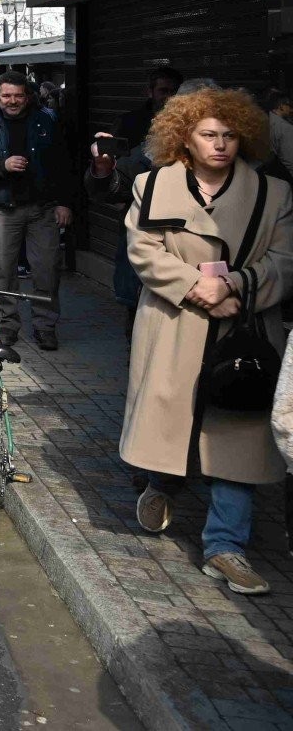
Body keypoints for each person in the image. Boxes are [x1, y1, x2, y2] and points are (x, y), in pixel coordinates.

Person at [125, 89, 293, 598]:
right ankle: (162, 483)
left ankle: (225, 547)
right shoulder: (151, 186)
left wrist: (236, 286)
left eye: (229, 135)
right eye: (208, 135)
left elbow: (285, 261)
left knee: (237, 432)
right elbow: (143, 249)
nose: (220, 144)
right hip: (175, 322)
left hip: (245, 329)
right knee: (172, 420)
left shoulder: (274, 195)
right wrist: (197, 287)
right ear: (185, 138)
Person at [0, 72, 74, 351]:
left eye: (18, 95)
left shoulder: (46, 123)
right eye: (6, 96)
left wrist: (64, 202)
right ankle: (6, 327)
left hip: (43, 208)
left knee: (47, 270)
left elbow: (64, 164)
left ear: (27, 96)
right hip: (4, 209)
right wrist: (2, 165)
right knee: (4, 272)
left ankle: (45, 326)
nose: (12, 101)